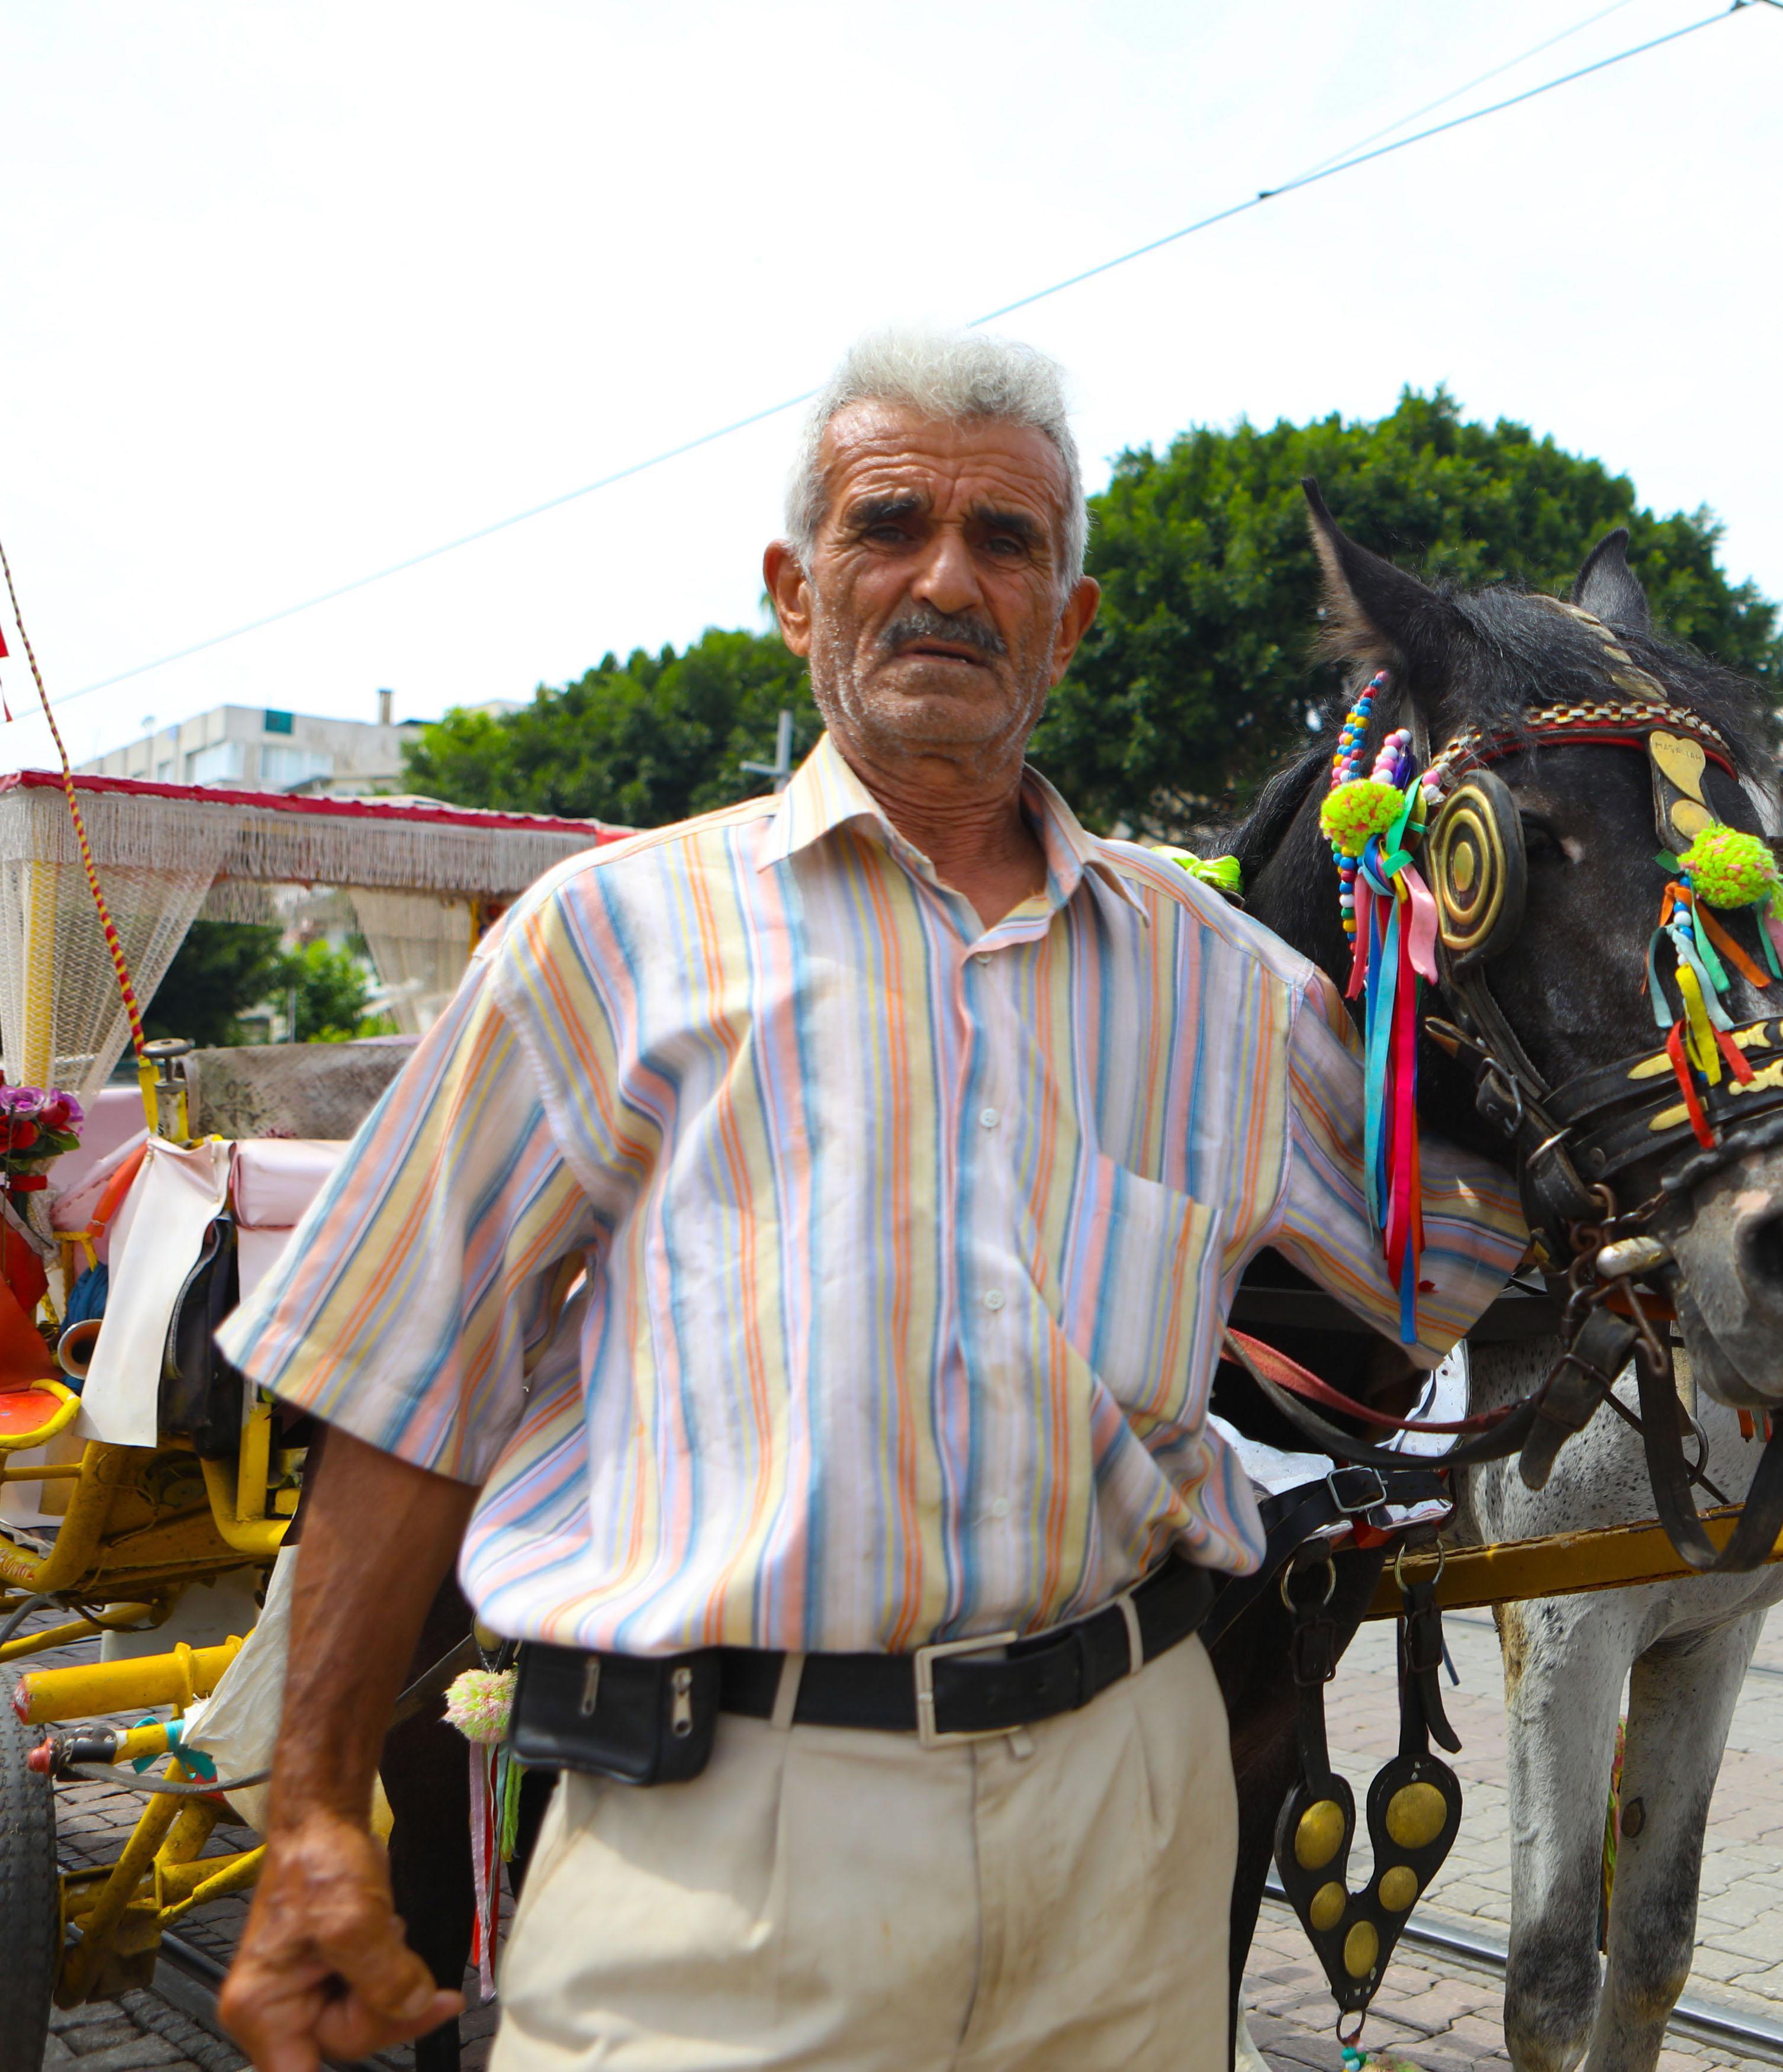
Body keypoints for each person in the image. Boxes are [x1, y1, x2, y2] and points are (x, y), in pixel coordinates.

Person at [212, 329, 1528, 2072]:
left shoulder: (1218, 980)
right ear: (792, 586)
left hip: (1126, 1826)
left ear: (1068, 619)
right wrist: (311, 1807)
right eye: (888, 521)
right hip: (727, 1839)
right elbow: (401, 1384)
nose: (944, 578)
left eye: (1007, 543)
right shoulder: (609, 942)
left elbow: (1444, 1263)